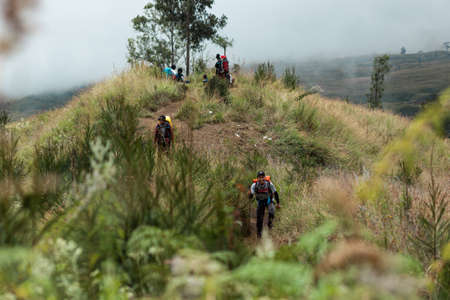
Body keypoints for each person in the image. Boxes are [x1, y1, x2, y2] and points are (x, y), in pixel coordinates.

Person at [249, 171, 280, 239]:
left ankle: (270, 225)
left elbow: (275, 193)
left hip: (269, 200)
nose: (261, 179)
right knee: (259, 218)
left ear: (265, 177)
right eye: (259, 177)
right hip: (260, 202)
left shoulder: (269, 184)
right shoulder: (254, 185)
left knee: (272, 211)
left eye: (262, 177)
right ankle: (259, 233)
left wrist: (278, 203)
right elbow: (251, 195)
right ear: (257, 178)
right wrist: (249, 202)